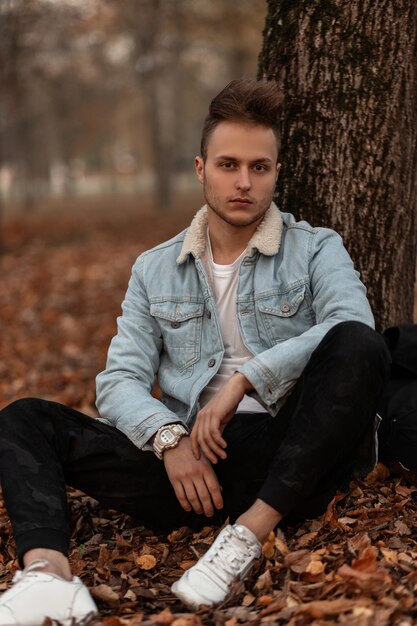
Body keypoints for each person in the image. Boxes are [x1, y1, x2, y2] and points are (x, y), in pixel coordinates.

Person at [0, 80, 390, 625]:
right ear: (201, 168)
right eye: (229, 165)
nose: (244, 182)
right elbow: (118, 381)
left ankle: (247, 537)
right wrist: (170, 439)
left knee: (357, 341)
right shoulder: (154, 268)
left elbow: (352, 326)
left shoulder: (317, 247)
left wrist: (244, 381)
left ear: (277, 172)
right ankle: (48, 577)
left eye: (260, 167)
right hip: (192, 471)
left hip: (294, 452)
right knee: (24, 419)